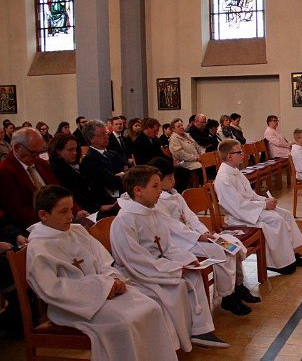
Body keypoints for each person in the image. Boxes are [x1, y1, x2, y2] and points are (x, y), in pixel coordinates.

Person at [27, 185, 178, 361]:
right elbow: (52, 289)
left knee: (151, 307)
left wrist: (114, 279)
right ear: (43, 215)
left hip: (104, 293)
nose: (70, 216)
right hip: (73, 307)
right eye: (63, 211)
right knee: (125, 322)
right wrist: (103, 288)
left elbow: (103, 262)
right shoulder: (39, 248)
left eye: (71, 209)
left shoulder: (77, 231)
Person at [110, 165, 229, 349]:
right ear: (138, 191)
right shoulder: (124, 220)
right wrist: (173, 268)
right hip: (139, 273)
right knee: (177, 286)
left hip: (157, 265)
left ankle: (200, 330)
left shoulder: (151, 212)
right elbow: (135, 259)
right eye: (155, 186)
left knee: (193, 274)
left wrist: (186, 260)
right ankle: (177, 340)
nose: (160, 191)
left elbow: (167, 246)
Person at [149, 157, 261, 316]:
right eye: (169, 178)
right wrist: (198, 237)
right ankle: (228, 296)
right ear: (158, 180)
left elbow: (191, 217)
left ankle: (238, 285)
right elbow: (174, 228)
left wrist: (204, 232)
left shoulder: (176, 195)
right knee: (220, 251)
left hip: (197, 237)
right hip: (183, 243)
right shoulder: (158, 203)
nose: (173, 181)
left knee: (232, 245)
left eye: (173, 176)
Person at [215, 139, 302, 275]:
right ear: (229, 156)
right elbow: (237, 206)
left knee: (285, 214)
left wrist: (266, 200)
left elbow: (251, 195)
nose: (243, 154)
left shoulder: (235, 172)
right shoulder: (224, 178)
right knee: (276, 220)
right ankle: (278, 263)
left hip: (250, 210)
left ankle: (290, 255)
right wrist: (264, 205)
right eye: (239, 152)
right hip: (239, 217)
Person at [0, 128, 89, 230]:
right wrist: (52, 219)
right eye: (33, 153)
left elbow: (58, 192)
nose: (37, 156)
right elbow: (17, 211)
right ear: (17, 148)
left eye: (39, 152)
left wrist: (76, 211)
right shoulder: (5, 171)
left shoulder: (41, 164)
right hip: (35, 226)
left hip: (58, 219)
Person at [48, 133, 118, 216]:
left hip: (98, 205)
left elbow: (96, 186)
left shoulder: (79, 166)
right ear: (58, 152)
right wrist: (100, 207)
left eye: (76, 149)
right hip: (85, 212)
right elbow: (74, 196)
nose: (75, 153)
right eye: (70, 150)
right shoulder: (57, 171)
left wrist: (111, 202)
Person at [80, 120, 128, 200]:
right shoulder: (89, 160)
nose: (107, 137)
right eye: (102, 134)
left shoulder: (112, 154)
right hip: (107, 199)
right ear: (91, 138)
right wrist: (122, 175)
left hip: (123, 193)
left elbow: (129, 168)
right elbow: (110, 183)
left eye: (106, 133)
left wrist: (121, 175)